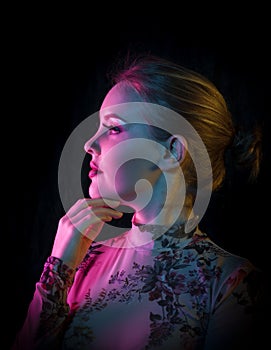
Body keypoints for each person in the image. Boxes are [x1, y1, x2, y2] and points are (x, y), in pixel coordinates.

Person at [12, 53, 266, 350]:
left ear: (171, 151)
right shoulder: (82, 261)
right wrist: (59, 268)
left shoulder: (229, 285)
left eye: (114, 128)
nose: (88, 144)